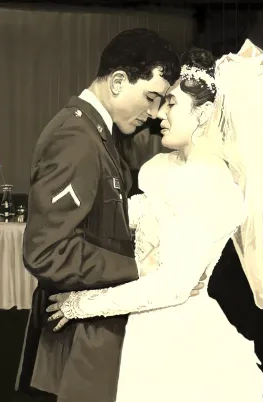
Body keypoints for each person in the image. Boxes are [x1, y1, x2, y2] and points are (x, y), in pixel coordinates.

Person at [47, 46, 263, 402]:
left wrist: (80, 305)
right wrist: (60, 214)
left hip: (178, 340)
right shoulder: (167, 170)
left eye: (172, 103)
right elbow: (125, 217)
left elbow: (173, 287)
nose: (159, 113)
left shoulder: (211, 184)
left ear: (204, 112)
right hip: (142, 327)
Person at [15, 28, 206, 402]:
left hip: (89, 336)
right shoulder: (76, 138)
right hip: (71, 346)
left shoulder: (96, 134)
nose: (154, 113)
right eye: (150, 98)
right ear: (118, 81)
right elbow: (46, 252)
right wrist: (139, 268)